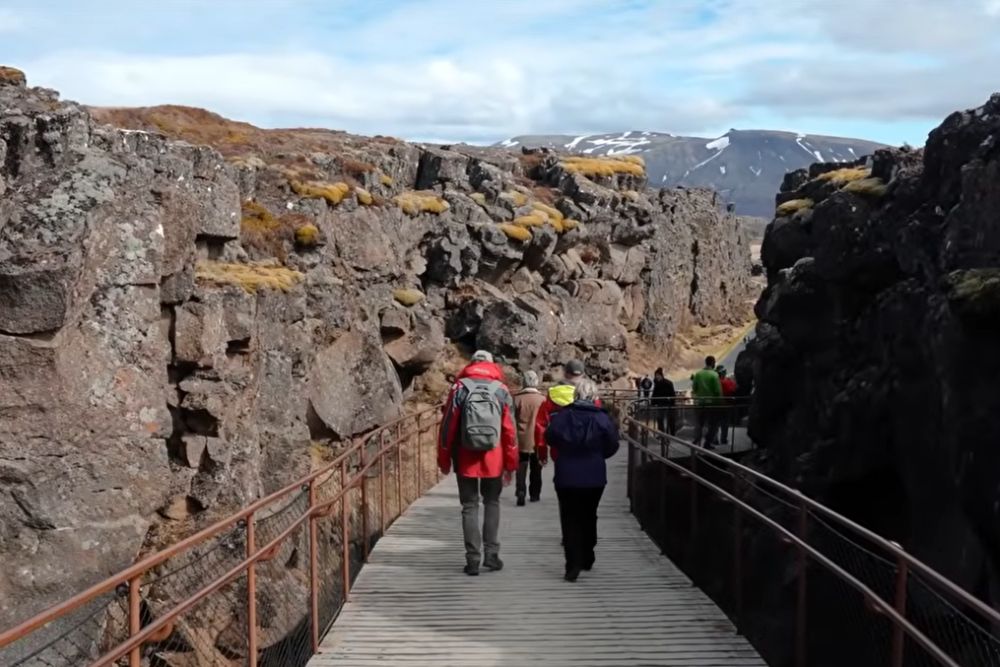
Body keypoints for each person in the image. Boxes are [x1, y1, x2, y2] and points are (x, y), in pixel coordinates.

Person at [438, 350, 518, 576]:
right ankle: (491, 555)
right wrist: (511, 464)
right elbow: (510, 432)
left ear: (472, 364)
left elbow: (447, 428)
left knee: (469, 506)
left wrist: (444, 460)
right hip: (495, 458)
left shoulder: (459, 388)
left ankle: (472, 559)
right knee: (492, 503)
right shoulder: (501, 390)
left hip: (465, 458)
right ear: (492, 365)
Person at [545, 379, 619, 582]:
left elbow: (549, 437)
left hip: (567, 474)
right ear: (594, 396)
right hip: (594, 475)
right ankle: (588, 553)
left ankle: (572, 564)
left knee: (570, 519)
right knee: (589, 514)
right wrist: (599, 455)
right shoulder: (602, 419)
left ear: (575, 395)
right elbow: (613, 444)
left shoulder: (563, 416)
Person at [534, 359, 601, 463]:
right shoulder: (591, 395)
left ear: (565, 373)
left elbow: (541, 426)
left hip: (560, 450)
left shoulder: (553, 395)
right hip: (587, 451)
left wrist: (542, 452)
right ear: (583, 374)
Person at [512, 370, 546, 506]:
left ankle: (520, 490)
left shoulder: (517, 398)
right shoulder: (543, 399)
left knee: (521, 467)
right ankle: (535, 494)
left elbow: (511, 419)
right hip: (538, 439)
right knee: (536, 468)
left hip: (520, 438)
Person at [690, 356, 722, 449]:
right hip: (711, 404)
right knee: (713, 425)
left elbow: (694, 388)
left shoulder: (698, 374)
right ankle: (707, 443)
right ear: (713, 363)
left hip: (700, 402)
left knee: (699, 423)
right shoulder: (714, 375)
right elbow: (717, 391)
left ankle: (697, 440)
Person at [651, 368, 677, 435]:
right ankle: (668, 433)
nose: (656, 377)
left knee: (663, 419)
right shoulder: (666, 383)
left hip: (664, 403)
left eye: (657, 375)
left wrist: (653, 402)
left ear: (660, 375)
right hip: (666, 403)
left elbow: (655, 394)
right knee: (666, 419)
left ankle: (664, 433)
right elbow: (654, 394)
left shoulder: (661, 383)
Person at [717, 365, 738, 446]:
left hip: (717, 404)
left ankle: (715, 439)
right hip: (726, 404)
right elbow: (732, 389)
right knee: (725, 423)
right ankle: (723, 439)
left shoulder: (717, 381)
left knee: (716, 423)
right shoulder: (727, 381)